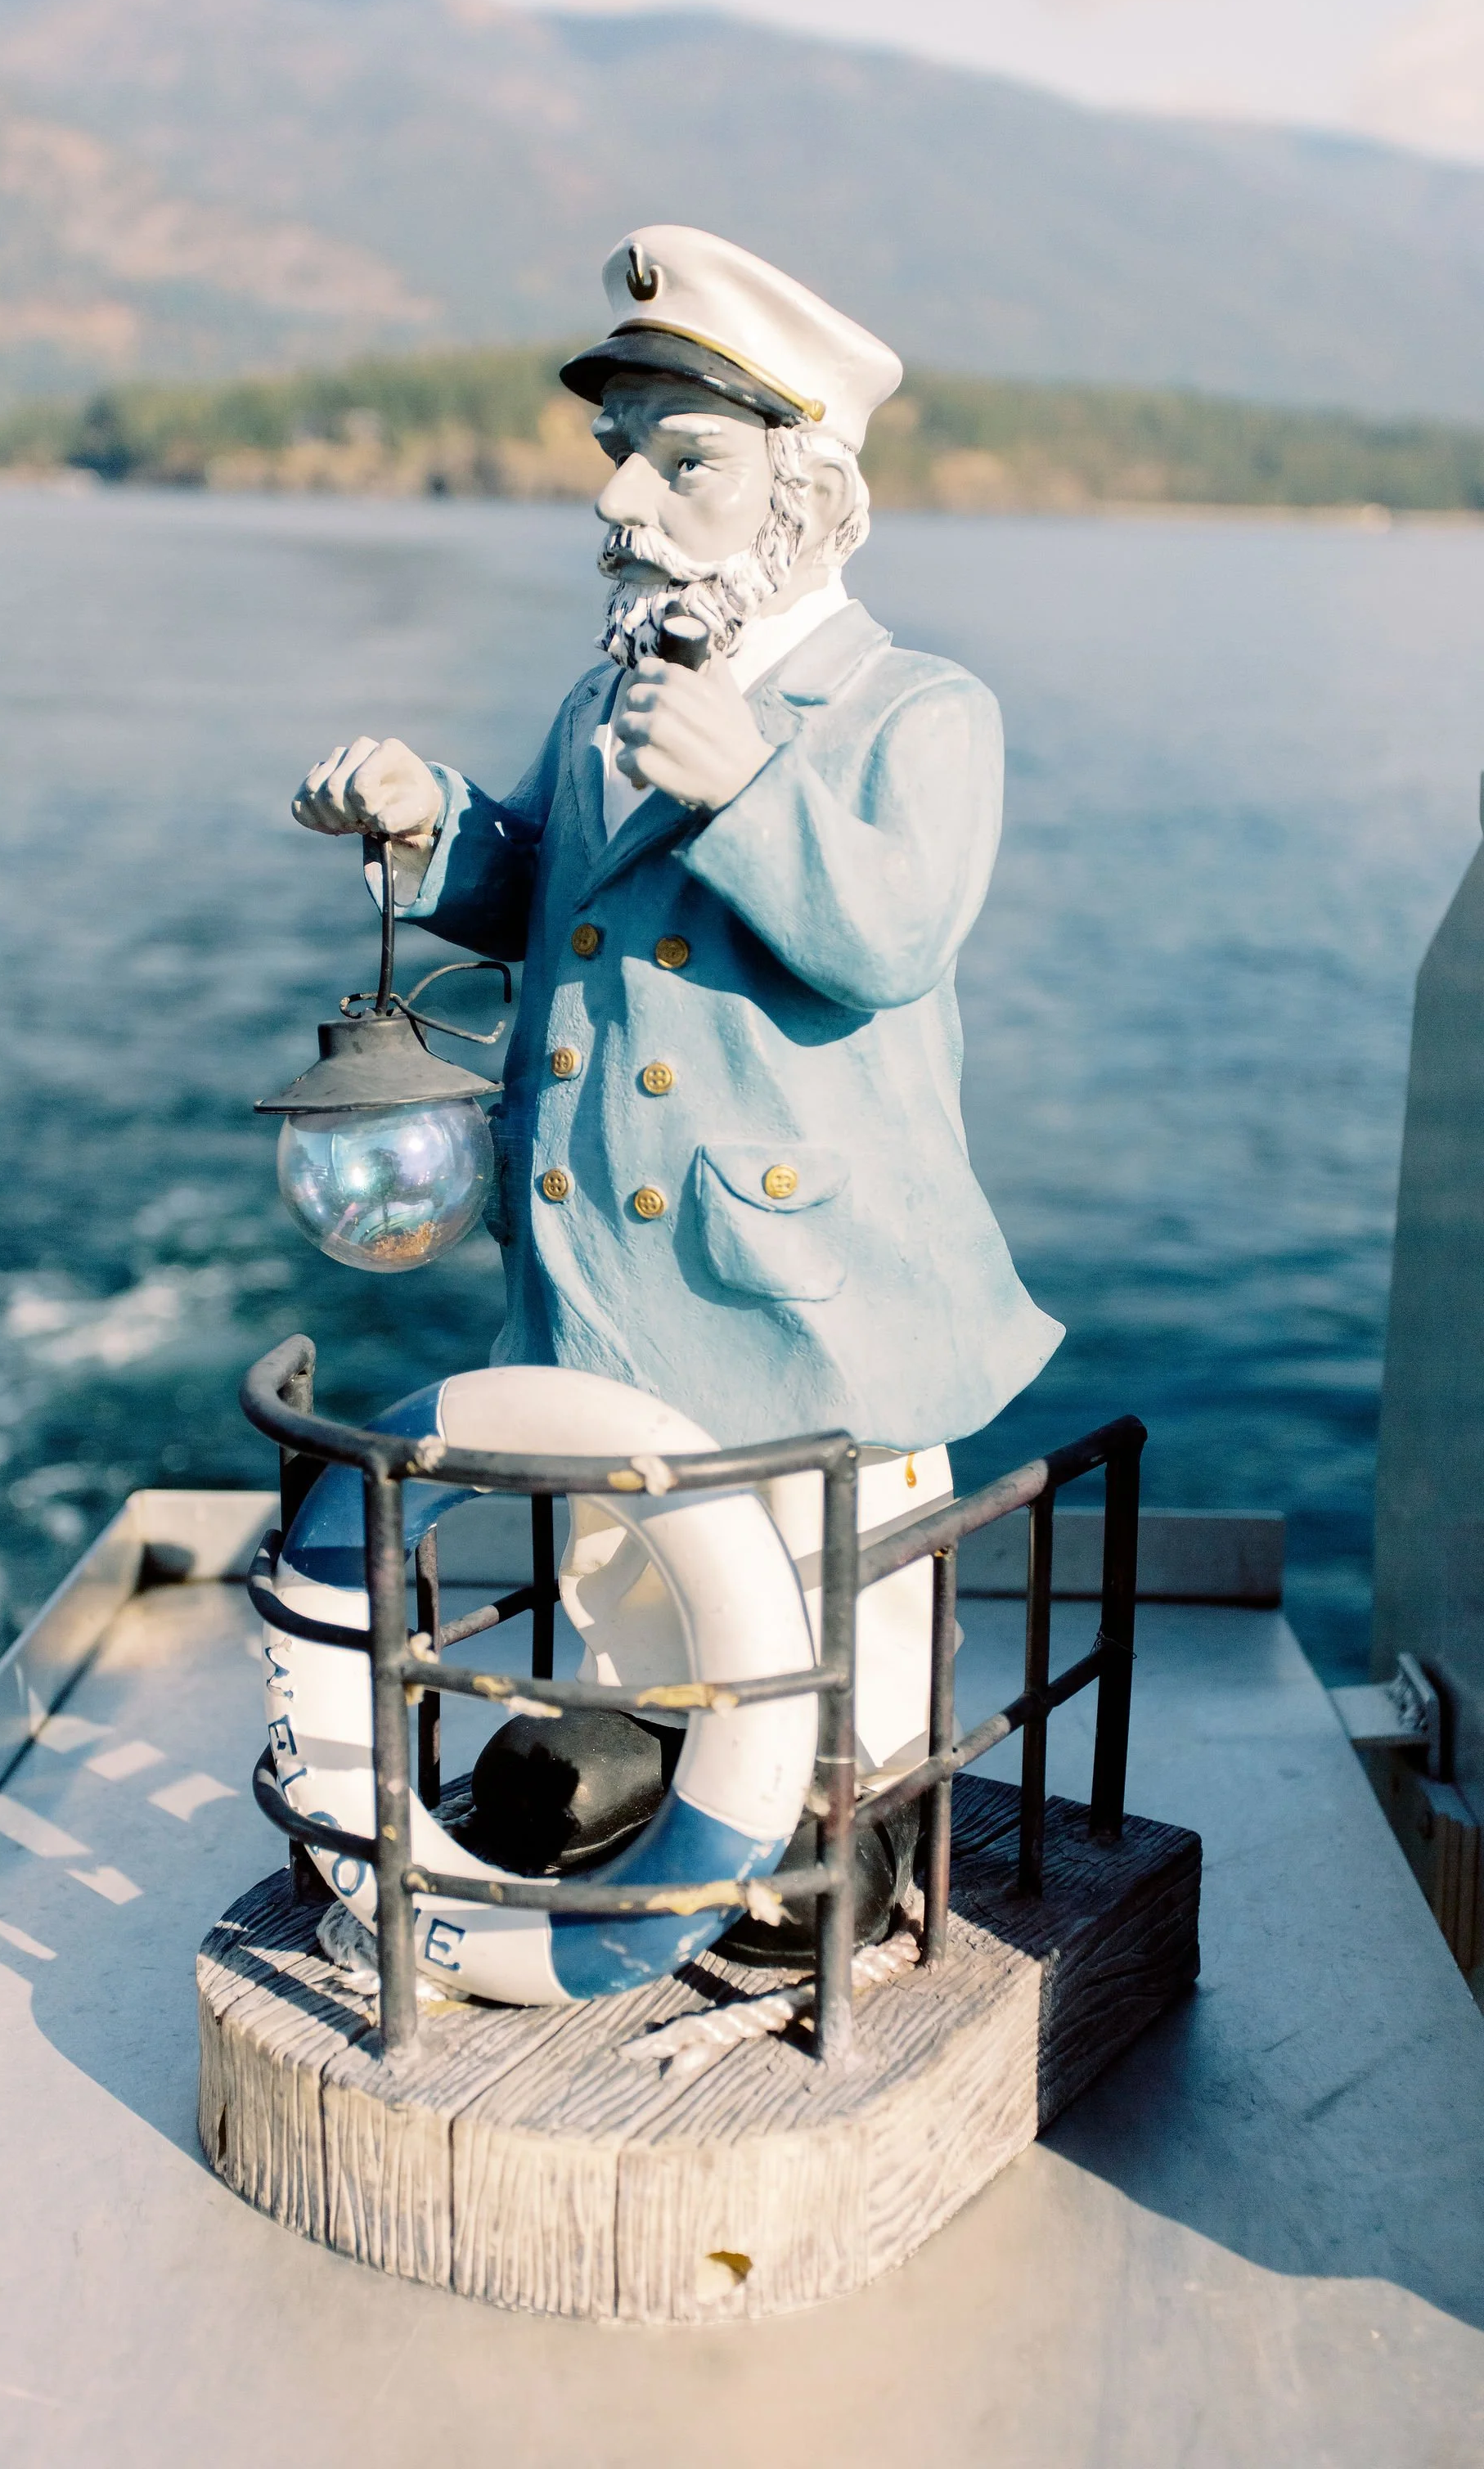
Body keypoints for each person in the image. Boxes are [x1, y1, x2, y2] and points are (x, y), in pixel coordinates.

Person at [294, 227, 1061, 1950]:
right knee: (638, 1582)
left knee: (814, 1589)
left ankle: (830, 1853)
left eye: (685, 459)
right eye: (618, 454)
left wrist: (751, 791)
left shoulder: (911, 709)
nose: (625, 499)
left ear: (802, 487)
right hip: (601, 1279)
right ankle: (648, 1789)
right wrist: (437, 827)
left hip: (798, 1292)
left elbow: (892, 940)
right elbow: (556, 894)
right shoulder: (606, 696)